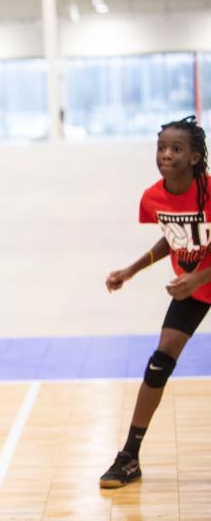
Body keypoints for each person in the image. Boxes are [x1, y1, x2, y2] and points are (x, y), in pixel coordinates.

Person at [99, 115, 211, 488]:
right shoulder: (153, 198)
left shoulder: (209, 192)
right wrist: (131, 270)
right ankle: (129, 456)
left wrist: (198, 276)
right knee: (159, 364)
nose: (166, 155)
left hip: (198, 281)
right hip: (193, 289)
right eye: (162, 148)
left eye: (176, 149)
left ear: (195, 157)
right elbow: (173, 236)